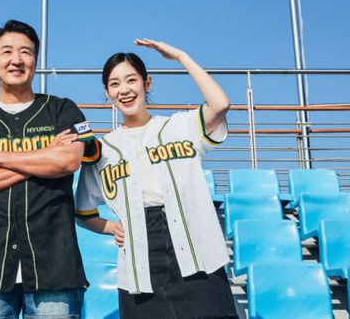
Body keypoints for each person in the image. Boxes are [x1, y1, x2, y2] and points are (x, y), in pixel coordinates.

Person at [0, 20, 100, 319]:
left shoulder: (63, 109)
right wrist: (44, 158)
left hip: (55, 269)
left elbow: (68, 162)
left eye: (26, 52)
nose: (16, 59)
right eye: (7, 51)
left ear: (35, 61)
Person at [75, 39, 237, 319]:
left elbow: (221, 104)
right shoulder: (103, 149)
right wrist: (111, 227)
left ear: (147, 83)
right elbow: (83, 213)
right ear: (107, 93)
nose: (124, 90)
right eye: (114, 84)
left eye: (131, 80)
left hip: (197, 252)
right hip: (139, 260)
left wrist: (181, 56)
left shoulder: (181, 126)